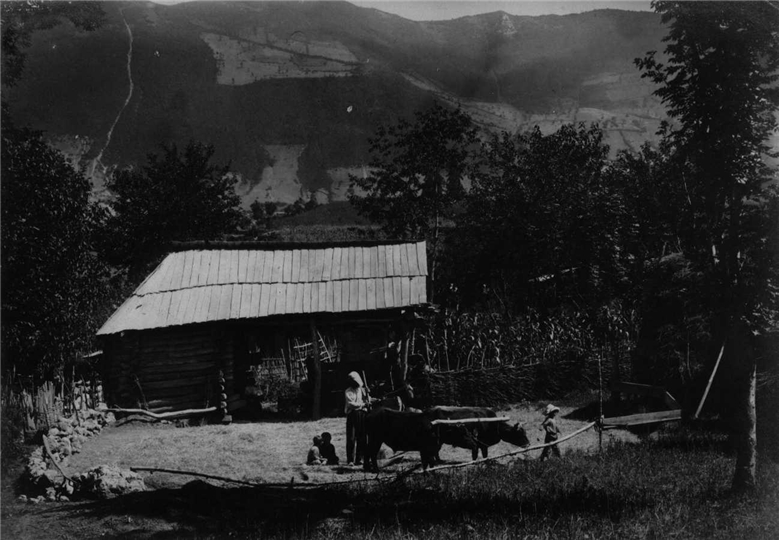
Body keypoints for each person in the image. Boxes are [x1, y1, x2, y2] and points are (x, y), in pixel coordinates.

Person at [344, 371, 369, 466]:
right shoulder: (348, 391)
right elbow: (351, 404)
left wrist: (368, 396)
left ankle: (359, 459)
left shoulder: (361, 390)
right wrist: (363, 404)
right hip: (352, 415)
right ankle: (350, 460)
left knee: (361, 437)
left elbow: (367, 399)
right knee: (351, 437)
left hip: (361, 414)